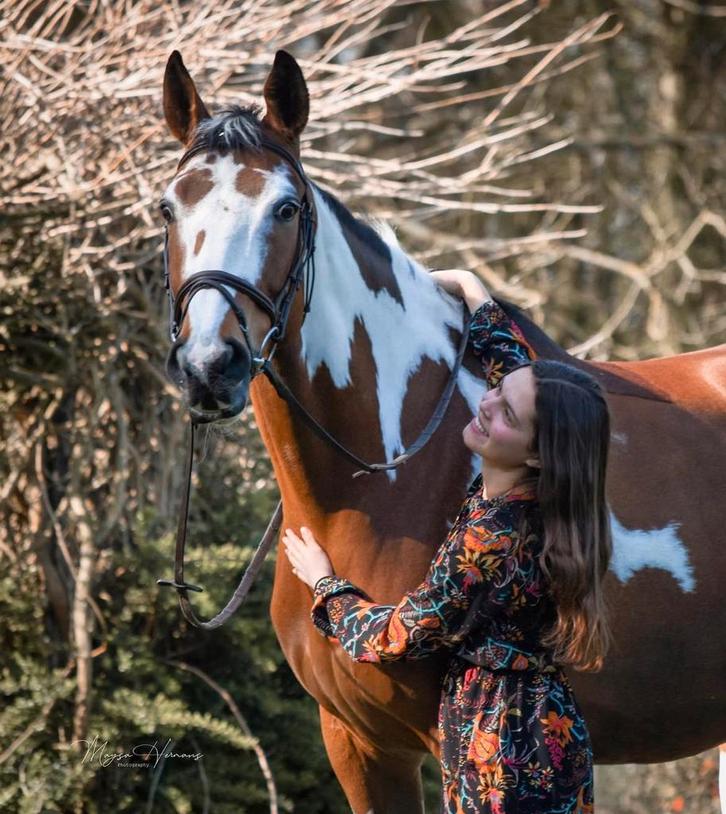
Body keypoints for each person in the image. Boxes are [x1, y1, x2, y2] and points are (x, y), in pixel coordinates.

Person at [282, 269, 612, 813]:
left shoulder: (492, 538)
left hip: (500, 750)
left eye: (505, 412)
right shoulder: (549, 491)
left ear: (534, 454)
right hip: (549, 731)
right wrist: (473, 291)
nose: (486, 404)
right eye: (497, 391)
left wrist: (326, 585)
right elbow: (516, 371)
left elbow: (399, 637)